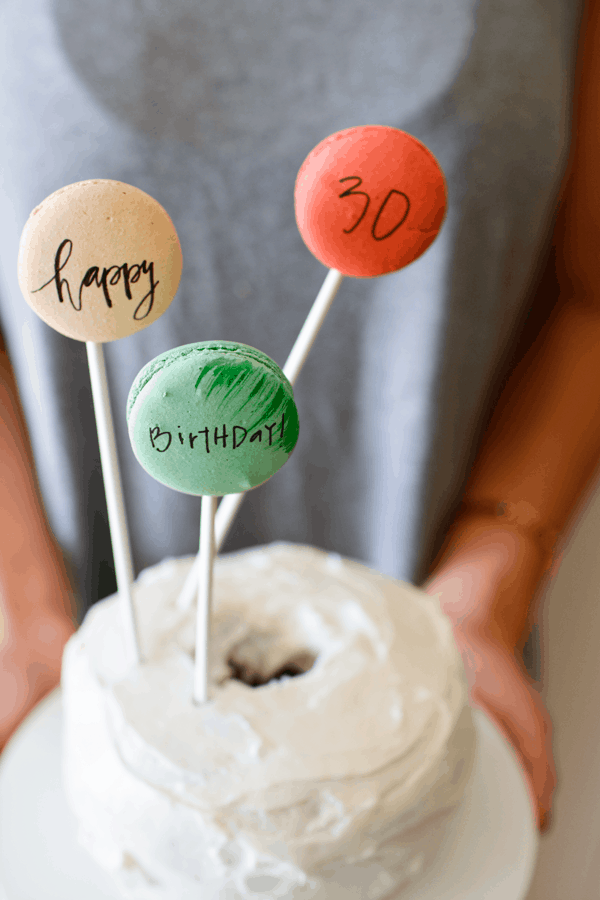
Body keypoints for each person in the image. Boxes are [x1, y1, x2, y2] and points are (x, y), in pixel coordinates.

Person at [0, 0, 589, 836]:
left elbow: (589, 292)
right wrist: (24, 612)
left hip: (432, 685)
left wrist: (490, 583)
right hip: (80, 687)